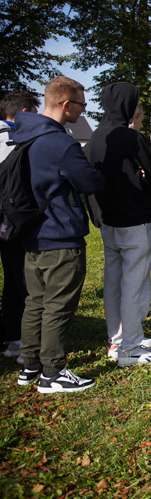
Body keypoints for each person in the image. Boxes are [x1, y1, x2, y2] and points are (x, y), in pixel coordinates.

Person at [15, 76, 105, 393]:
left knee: (35, 303)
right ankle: (53, 372)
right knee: (58, 306)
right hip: (60, 237)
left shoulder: (25, 137)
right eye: (81, 104)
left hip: (33, 234)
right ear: (66, 104)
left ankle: (29, 366)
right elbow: (90, 183)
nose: (84, 110)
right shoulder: (60, 143)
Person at [86, 83, 151, 367]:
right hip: (134, 220)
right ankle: (131, 348)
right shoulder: (129, 137)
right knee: (134, 285)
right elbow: (150, 181)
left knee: (114, 284)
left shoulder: (96, 137)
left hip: (109, 221)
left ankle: (118, 340)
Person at [0, 91, 40, 363]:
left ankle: (11, 336)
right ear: (24, 113)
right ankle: (25, 343)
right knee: (25, 284)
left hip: (3, 225)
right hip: (14, 222)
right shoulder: (14, 143)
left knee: (11, 282)